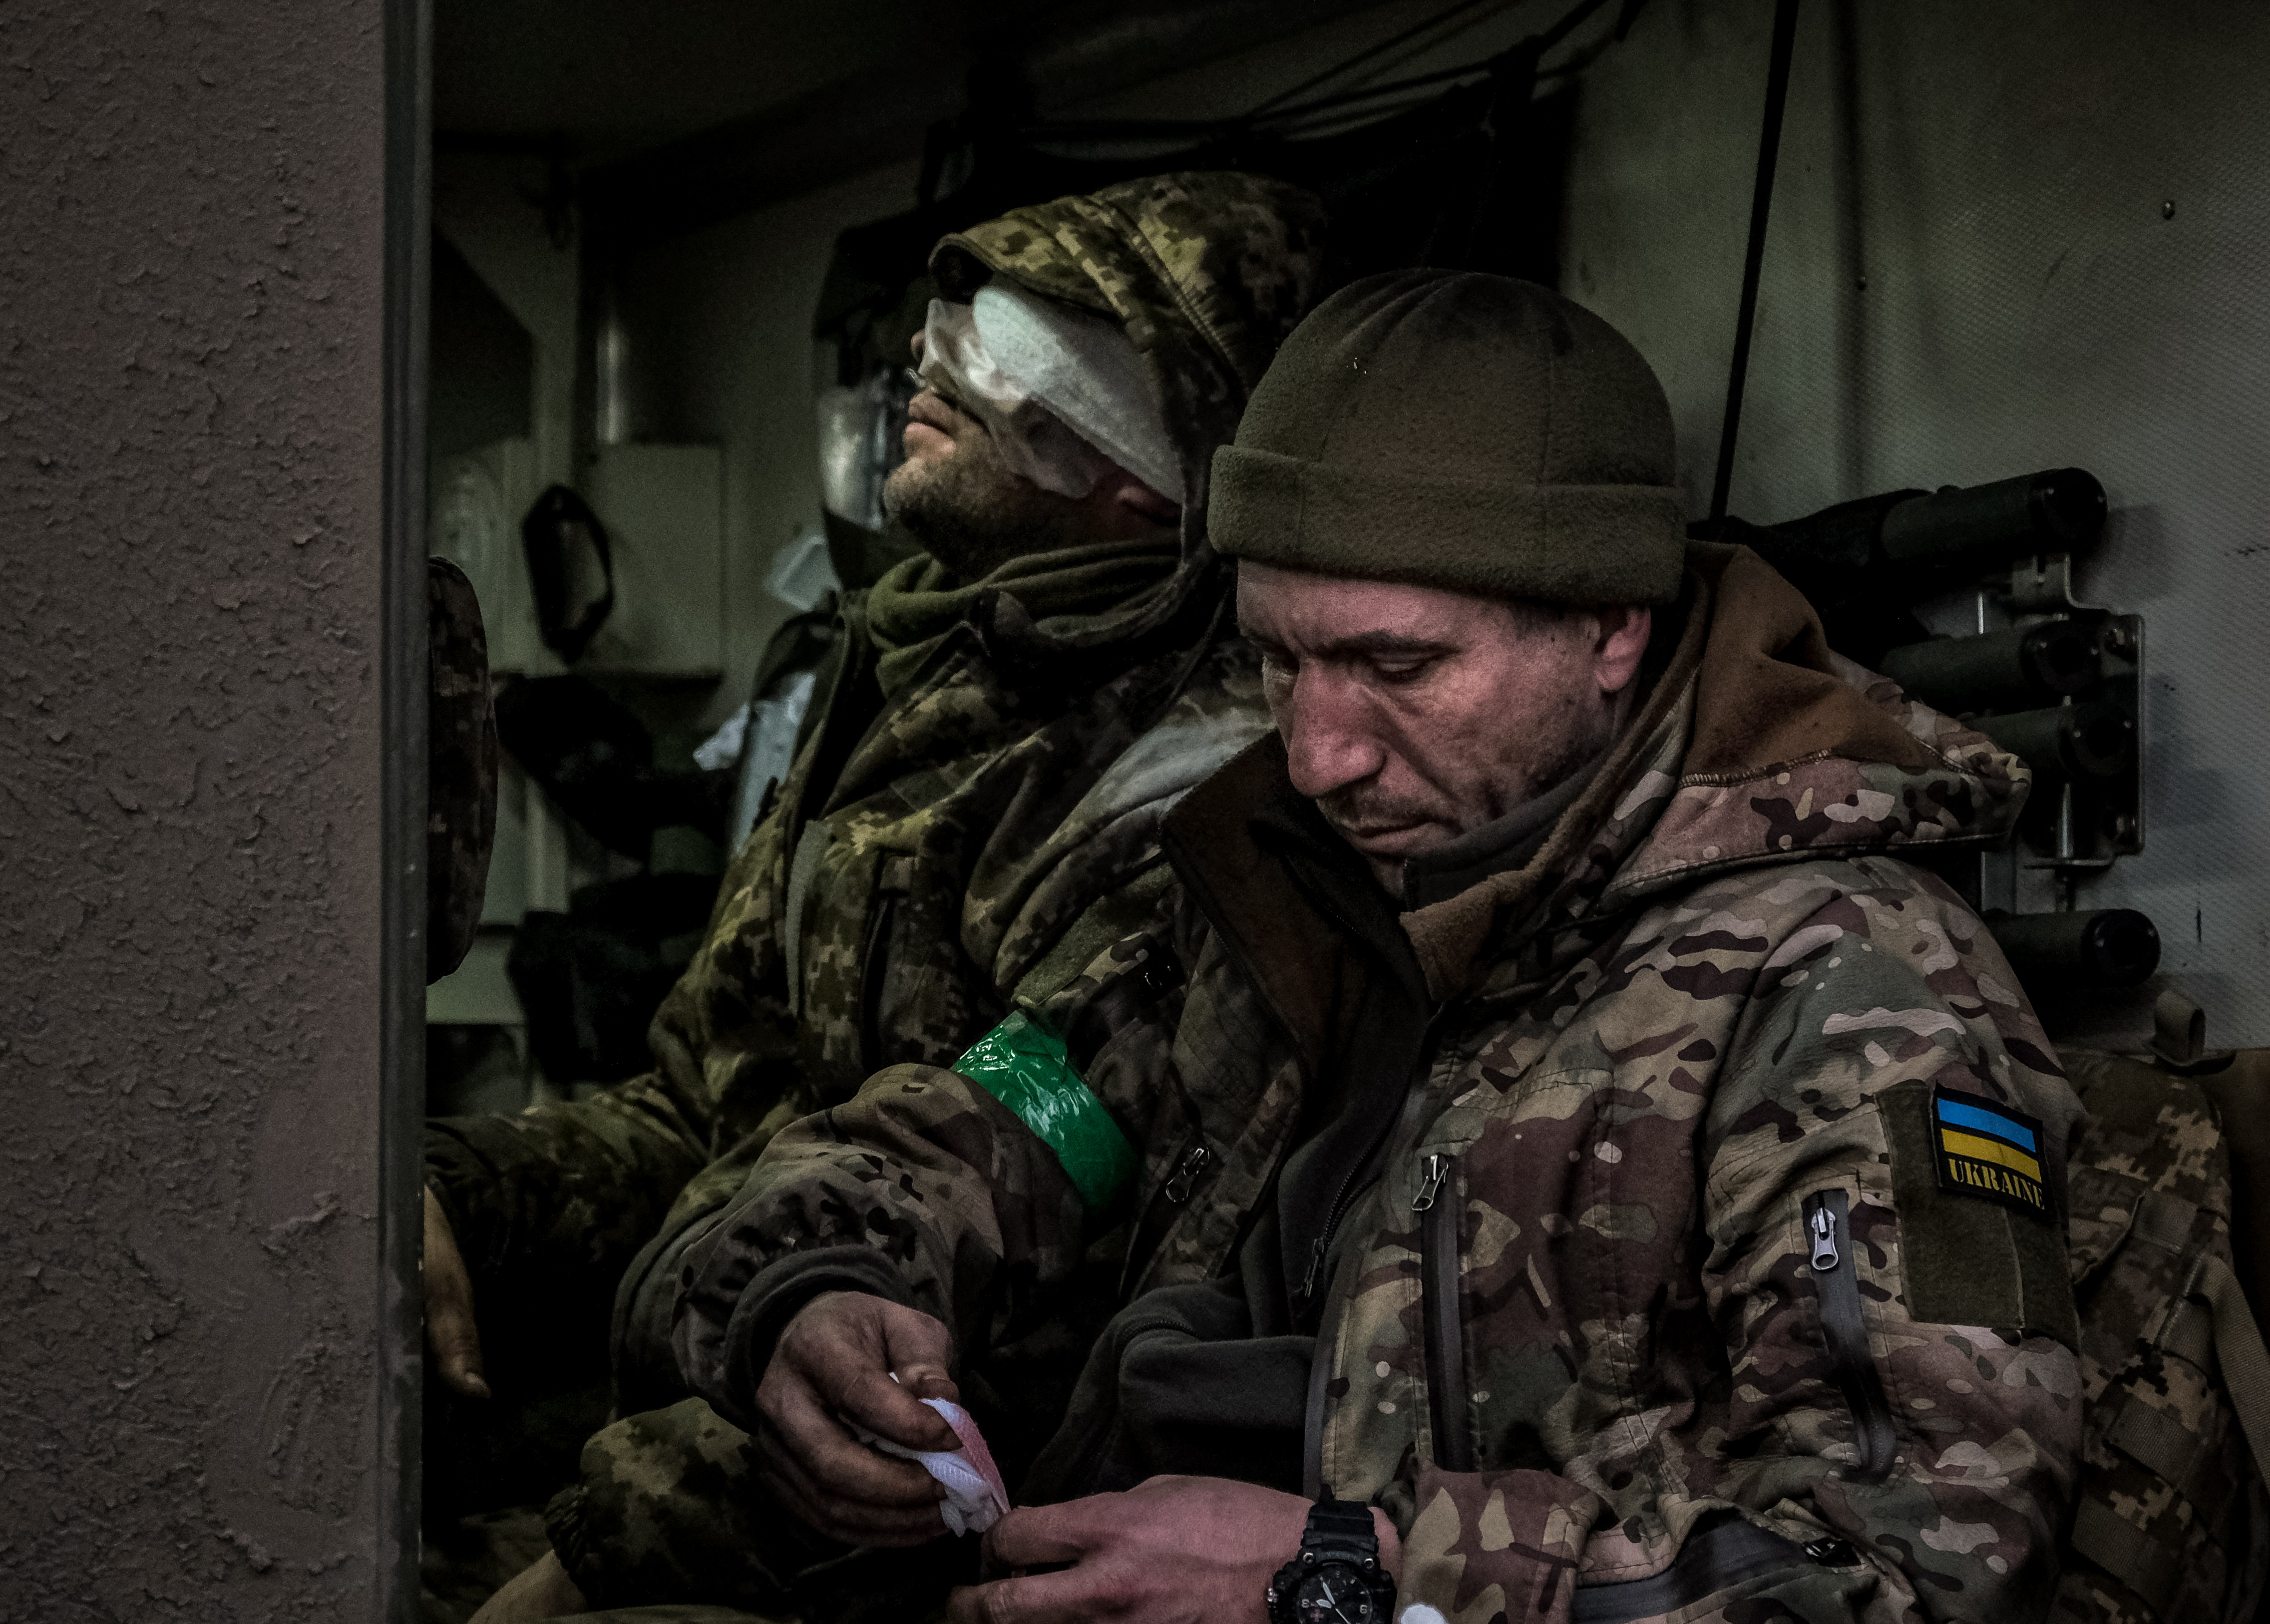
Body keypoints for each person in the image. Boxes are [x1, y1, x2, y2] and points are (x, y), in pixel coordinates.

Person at [673, 270, 2082, 1624]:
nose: (1319, 751)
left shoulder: (1846, 985)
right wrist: (820, 1295)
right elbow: (993, 1131)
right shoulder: (1286, 896)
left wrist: (1339, 1583)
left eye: (1400, 669)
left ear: (1607, 629)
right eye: (1279, 661)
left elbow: (1908, 1587)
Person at [426, 171, 1327, 1620]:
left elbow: (1028, 1213)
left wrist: (573, 1568)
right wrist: (444, 1194)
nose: (928, 365)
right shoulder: (911, 678)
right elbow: (700, 1105)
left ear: (1134, 470)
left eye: (1005, 362)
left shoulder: (1206, 791)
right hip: (722, 1358)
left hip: (904, 1500)